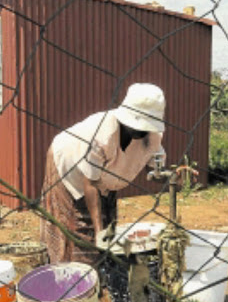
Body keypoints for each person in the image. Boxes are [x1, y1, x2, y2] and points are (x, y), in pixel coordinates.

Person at [40, 83, 166, 265]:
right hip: (67, 165)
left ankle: (104, 270)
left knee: (109, 229)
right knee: (78, 228)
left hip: (106, 177)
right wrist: (99, 233)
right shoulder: (102, 135)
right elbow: (90, 184)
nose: (140, 131)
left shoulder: (152, 137)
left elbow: (155, 169)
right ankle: (70, 275)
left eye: (145, 127)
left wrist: (173, 177)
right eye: (136, 125)